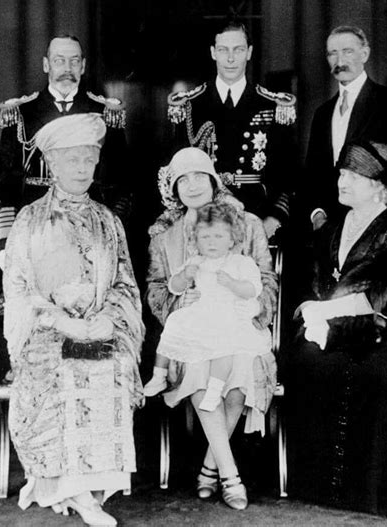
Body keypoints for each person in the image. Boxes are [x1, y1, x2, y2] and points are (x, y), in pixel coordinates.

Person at [283, 140, 387, 518]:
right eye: (342, 173)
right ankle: (323, 487)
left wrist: (326, 309)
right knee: (309, 362)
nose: (341, 181)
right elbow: (316, 282)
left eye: (353, 175)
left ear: (377, 184)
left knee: (379, 374)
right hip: (344, 325)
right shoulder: (333, 226)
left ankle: (377, 490)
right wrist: (312, 309)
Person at [2, 113, 145, 526]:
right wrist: (61, 322)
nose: (82, 169)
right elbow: (18, 290)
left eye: (89, 160)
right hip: (47, 333)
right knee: (64, 369)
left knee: (114, 363)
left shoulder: (108, 220)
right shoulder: (30, 220)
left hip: (99, 327)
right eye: (72, 161)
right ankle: (74, 491)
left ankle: (93, 486)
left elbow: (124, 284)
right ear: (52, 165)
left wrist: (110, 320)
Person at [146, 147, 277, 510]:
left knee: (240, 375)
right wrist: (177, 302)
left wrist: (248, 308)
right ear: (173, 189)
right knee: (201, 375)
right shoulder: (164, 235)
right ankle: (231, 477)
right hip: (193, 334)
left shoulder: (246, 223)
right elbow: (157, 288)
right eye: (181, 180)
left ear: (213, 179)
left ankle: (208, 468)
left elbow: (266, 279)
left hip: (239, 326)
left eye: (198, 176)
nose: (191, 186)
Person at [0, 34, 132, 262]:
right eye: (59, 60)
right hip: (35, 230)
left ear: (83, 65)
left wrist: (111, 235)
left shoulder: (105, 112)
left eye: (74, 61)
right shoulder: (21, 113)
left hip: (91, 232)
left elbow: (121, 184)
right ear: (46, 64)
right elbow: (7, 186)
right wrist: (5, 243)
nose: (67, 68)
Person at [167, 17, 297, 240]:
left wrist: (273, 220)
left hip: (258, 218)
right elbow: (176, 172)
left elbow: (288, 173)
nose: (230, 58)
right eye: (223, 49)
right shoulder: (190, 105)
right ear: (212, 52)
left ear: (249, 52)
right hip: (203, 220)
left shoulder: (271, 105)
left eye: (238, 50)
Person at [144, 201, 271, 413]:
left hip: (229, 315)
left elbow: (253, 289)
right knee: (174, 322)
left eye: (218, 237)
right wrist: (184, 276)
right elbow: (174, 288)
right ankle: (159, 375)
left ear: (231, 239)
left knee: (225, 346)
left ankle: (215, 389)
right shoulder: (197, 261)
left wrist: (233, 284)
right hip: (202, 312)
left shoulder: (240, 262)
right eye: (205, 237)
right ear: (196, 240)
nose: (211, 243)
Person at [305, 25, 387, 230]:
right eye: (332, 53)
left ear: (365, 54)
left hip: (380, 227)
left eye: (348, 51)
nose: (340, 61)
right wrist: (317, 214)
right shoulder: (322, 114)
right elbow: (313, 174)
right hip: (331, 230)